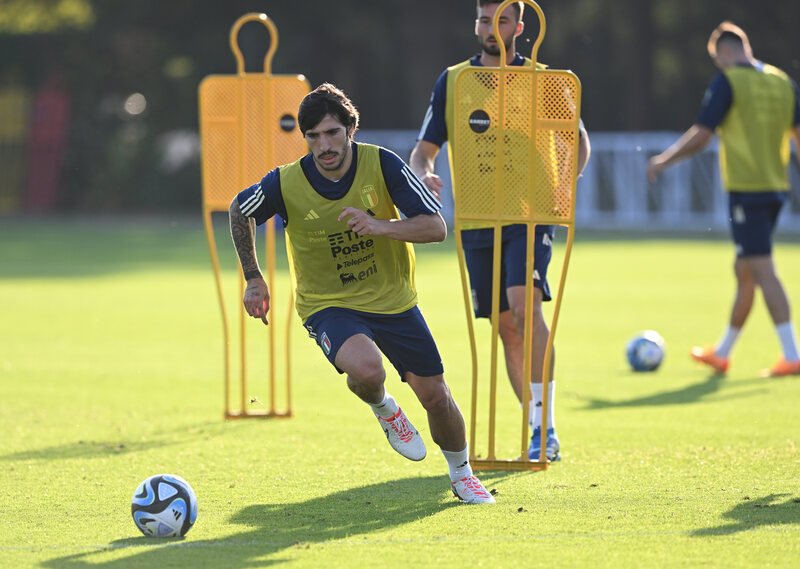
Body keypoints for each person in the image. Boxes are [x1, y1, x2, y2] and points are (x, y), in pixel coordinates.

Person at [229, 83, 495, 504]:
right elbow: (238, 210)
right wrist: (253, 277)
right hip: (328, 304)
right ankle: (386, 408)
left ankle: (462, 473)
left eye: (332, 132)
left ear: (351, 128)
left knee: (436, 398)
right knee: (368, 371)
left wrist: (380, 226)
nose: (324, 145)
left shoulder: (383, 165)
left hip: (393, 300)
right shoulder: (286, 182)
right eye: (313, 136)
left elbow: (435, 226)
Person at [410, 0, 590, 461]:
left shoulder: (545, 80)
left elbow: (578, 142)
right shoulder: (455, 81)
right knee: (506, 326)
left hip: (530, 213)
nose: (492, 28)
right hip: (477, 216)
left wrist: (563, 187)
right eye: (485, 20)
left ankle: (544, 429)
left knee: (523, 306)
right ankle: (536, 420)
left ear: (520, 27)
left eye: (502, 20)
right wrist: (425, 174)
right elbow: (424, 150)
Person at [647, 21, 800, 378]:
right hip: (776, 187)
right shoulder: (781, 81)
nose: (719, 66)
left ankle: (792, 352)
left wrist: (663, 161)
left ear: (727, 52)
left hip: (748, 188)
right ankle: (723, 352)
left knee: (762, 269)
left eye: (718, 60)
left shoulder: (729, 81)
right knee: (744, 269)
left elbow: (702, 133)